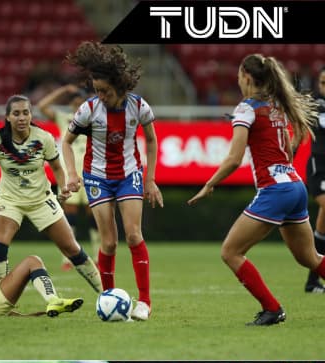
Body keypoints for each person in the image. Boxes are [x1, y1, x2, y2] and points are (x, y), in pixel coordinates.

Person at [188, 54, 325, 326]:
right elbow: (287, 147)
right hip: (294, 184)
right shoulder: (276, 106)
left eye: (239, 76)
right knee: (309, 257)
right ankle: (273, 309)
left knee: (230, 252)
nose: (238, 81)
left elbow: (234, 158)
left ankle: (272, 309)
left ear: (247, 77)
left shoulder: (246, 108)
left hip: (275, 190)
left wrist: (209, 184)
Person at [62, 42, 162, 321]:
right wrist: (71, 174)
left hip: (129, 174)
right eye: (96, 90)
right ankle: (108, 299)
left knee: (133, 235)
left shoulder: (138, 106)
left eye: (104, 90)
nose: (100, 95)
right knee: (108, 243)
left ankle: (144, 302)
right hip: (97, 177)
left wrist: (150, 179)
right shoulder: (89, 109)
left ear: (118, 86)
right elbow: (66, 142)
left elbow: (152, 140)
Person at [0, 95, 102, 295]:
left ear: (30, 114)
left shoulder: (43, 137)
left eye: (25, 112)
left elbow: (57, 168)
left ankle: (105, 293)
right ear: (7, 117)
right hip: (9, 201)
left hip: (41, 200)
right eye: (16, 113)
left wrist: (63, 189)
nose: (22, 117)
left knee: (72, 249)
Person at [38, 83, 97, 253]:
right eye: (75, 102)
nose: (78, 105)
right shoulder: (64, 118)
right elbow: (42, 106)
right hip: (69, 171)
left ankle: (98, 255)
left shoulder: (93, 118)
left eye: (81, 102)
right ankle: (69, 256)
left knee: (94, 216)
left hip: (91, 171)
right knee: (69, 217)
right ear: (71, 104)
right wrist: (63, 90)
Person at [304, 67, 325, 293]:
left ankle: (312, 281)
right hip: (319, 167)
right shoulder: (315, 105)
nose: (323, 86)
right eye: (321, 82)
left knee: (322, 225)